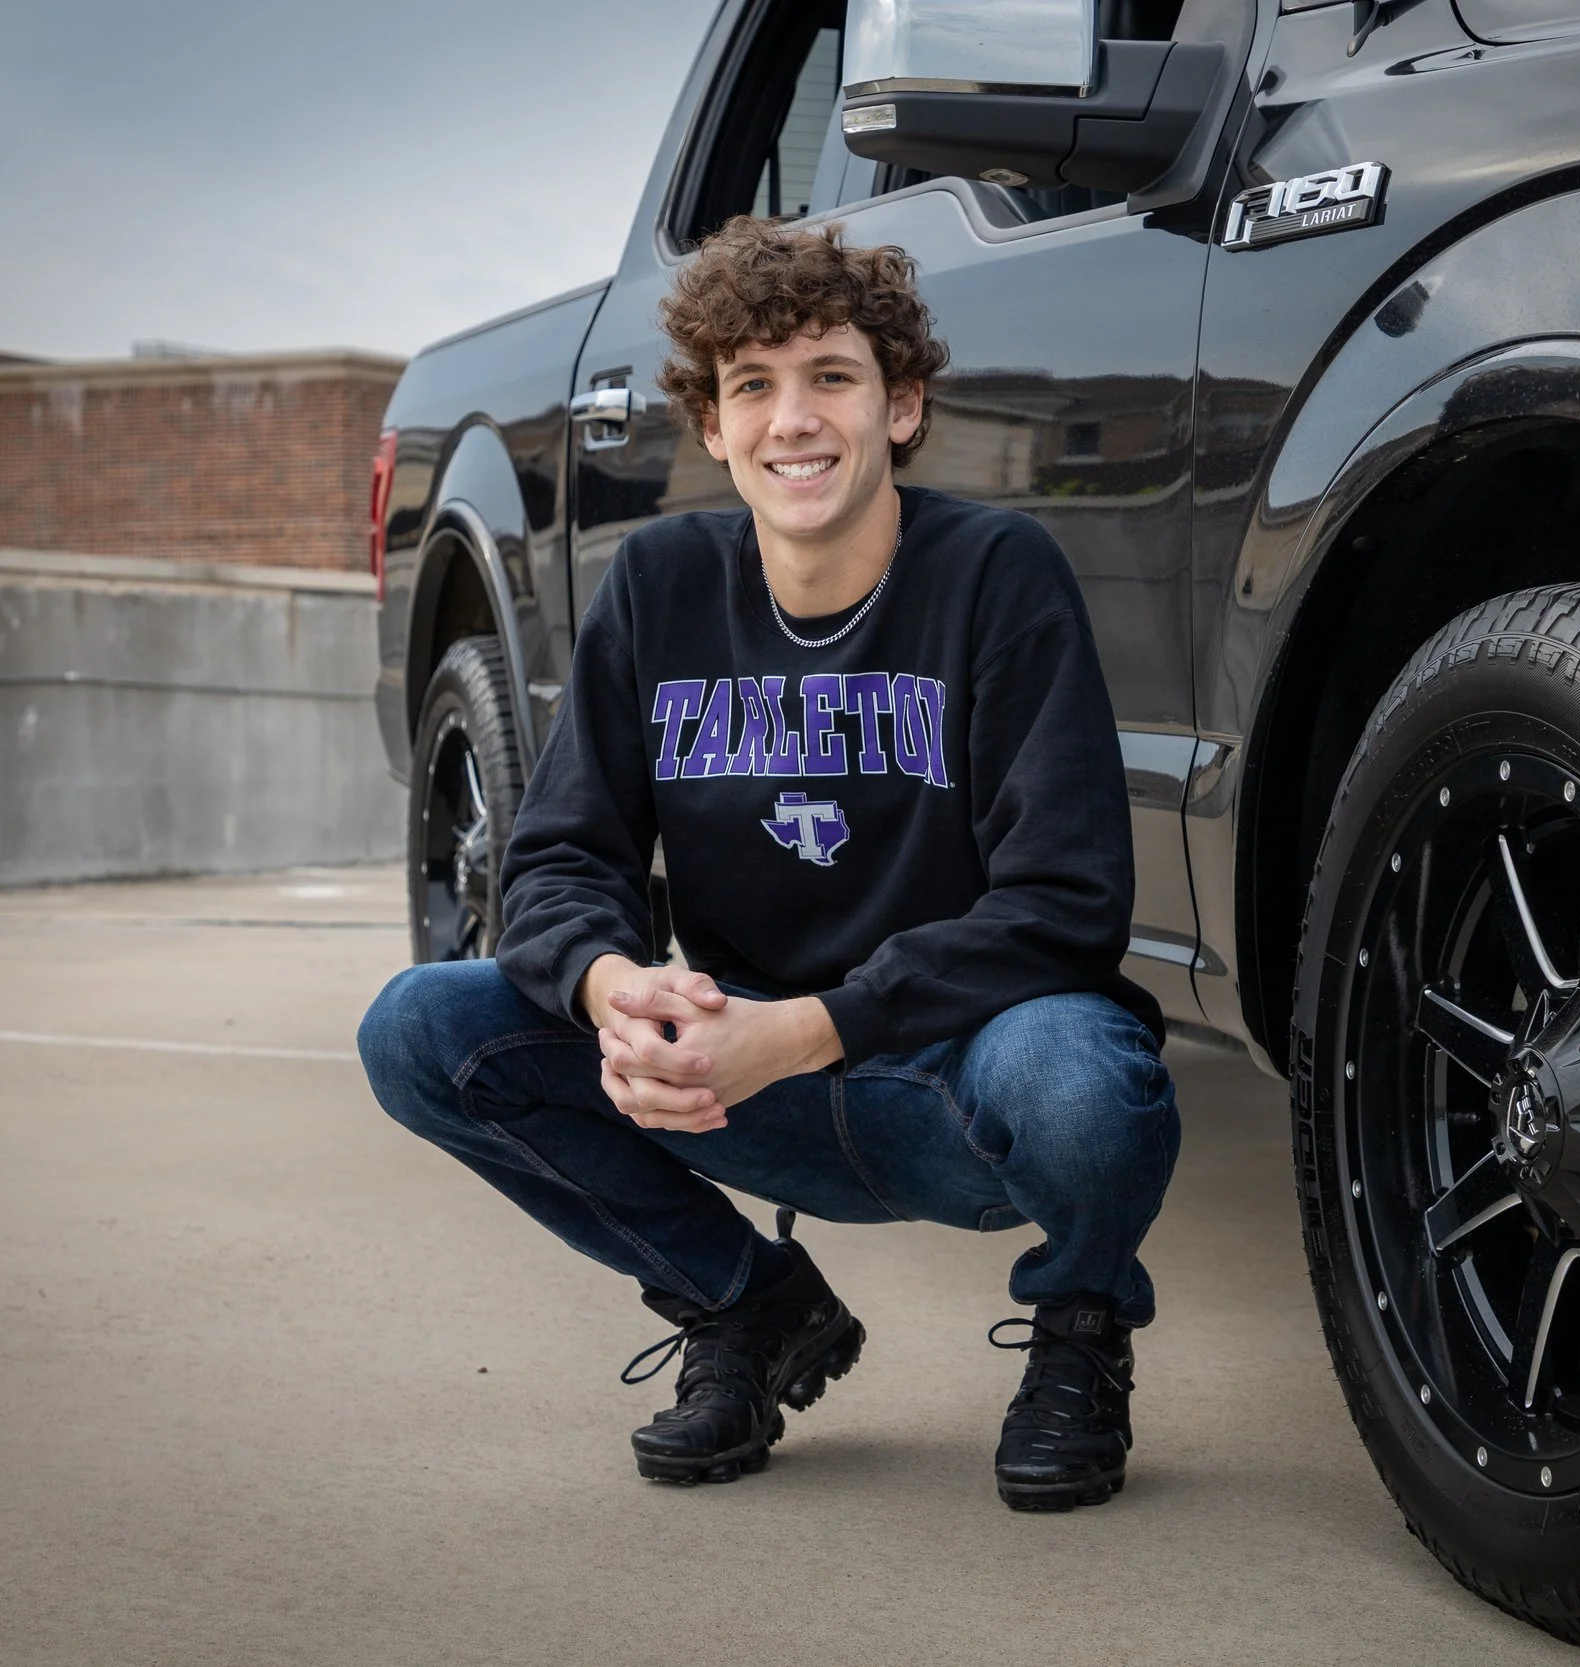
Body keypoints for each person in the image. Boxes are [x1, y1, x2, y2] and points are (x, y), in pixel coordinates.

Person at [357, 216, 1178, 1512]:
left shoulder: (996, 575)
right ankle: (745, 1308)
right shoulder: (659, 586)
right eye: (754, 385)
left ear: (902, 405)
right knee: (420, 1029)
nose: (793, 419)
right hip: (745, 1086)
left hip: (955, 1082)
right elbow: (561, 859)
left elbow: (1068, 903)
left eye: (832, 377)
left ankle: (1080, 1324)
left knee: (1087, 1079)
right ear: (714, 427)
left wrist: (805, 1028)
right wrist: (613, 988)